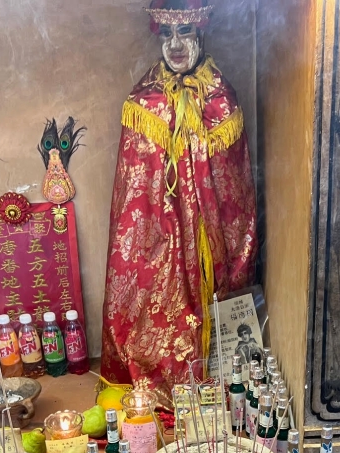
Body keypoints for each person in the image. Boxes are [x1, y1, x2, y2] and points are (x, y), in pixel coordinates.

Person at [100, 0, 257, 397]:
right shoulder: (143, 102)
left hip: (208, 233)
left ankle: (207, 381)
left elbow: (234, 183)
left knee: (211, 302)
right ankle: (153, 382)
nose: (175, 45)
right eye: (167, 34)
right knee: (147, 291)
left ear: (200, 34)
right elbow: (132, 186)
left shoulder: (221, 97)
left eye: (184, 33)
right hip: (159, 228)